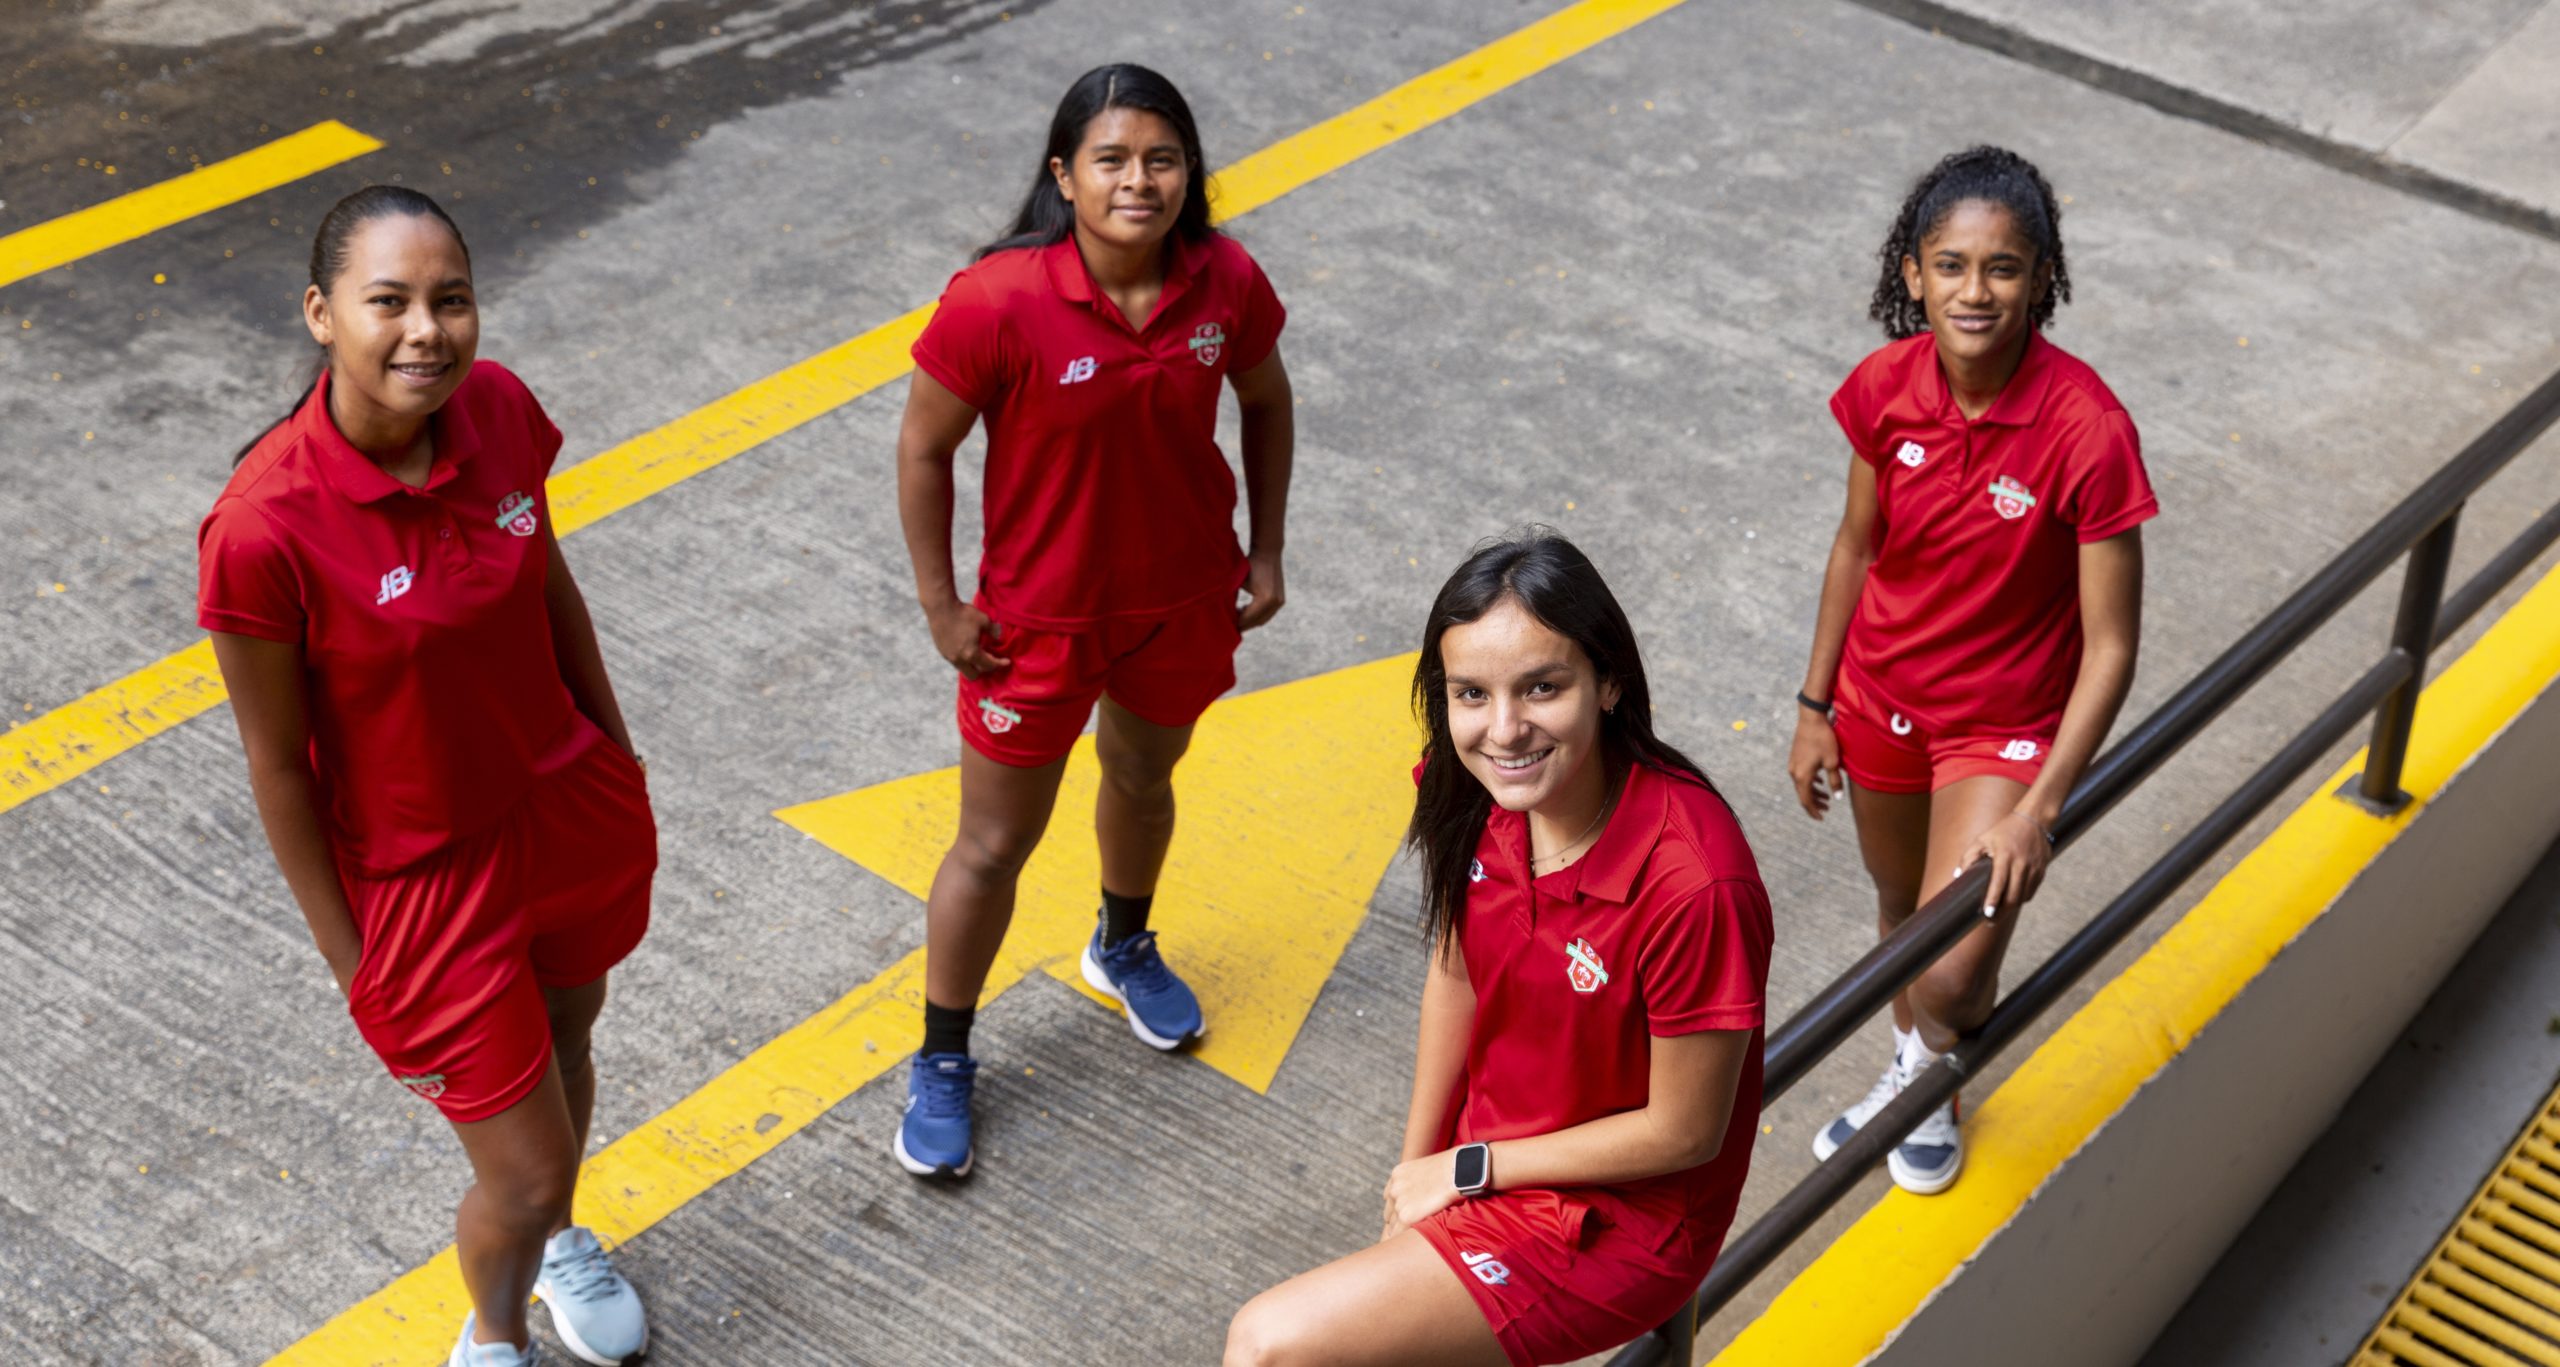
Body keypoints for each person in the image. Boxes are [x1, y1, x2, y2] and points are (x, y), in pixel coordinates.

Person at [199, 186, 655, 1366]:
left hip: (560, 808)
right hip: (423, 876)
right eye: (388, 301)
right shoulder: (262, 528)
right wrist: (355, 964)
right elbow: (277, 767)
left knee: (570, 1039)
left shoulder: (496, 409)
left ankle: (554, 1244)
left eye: (451, 301)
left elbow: (549, 584)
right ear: (319, 312)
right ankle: (493, 1334)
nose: (427, 332)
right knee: (523, 1164)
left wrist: (615, 751)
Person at [1226, 532, 1772, 1367]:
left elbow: (1686, 1129)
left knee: (1270, 1346)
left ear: (1609, 682)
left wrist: (1472, 1166)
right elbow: (1456, 970)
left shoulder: (1694, 882)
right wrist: (1414, 1173)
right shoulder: (1475, 788)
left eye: (1542, 688)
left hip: (1618, 1218)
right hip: (1488, 1165)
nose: (1505, 729)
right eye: (1470, 694)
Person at [890, 62, 1294, 1179]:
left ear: (1189, 174)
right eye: (1110, 160)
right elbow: (925, 448)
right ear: (1062, 175)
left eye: (1162, 159)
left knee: (1142, 779)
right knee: (991, 845)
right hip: (1035, 626)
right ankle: (942, 1054)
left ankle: (1121, 944)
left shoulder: (1225, 281)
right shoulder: (997, 298)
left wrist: (1262, 547)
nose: (1139, 181)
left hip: (1179, 605)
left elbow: (1266, 398)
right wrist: (942, 605)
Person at [1789, 145, 2153, 1195]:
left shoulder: (2087, 428)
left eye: (2002, 267)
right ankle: (1918, 1072)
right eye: (1950, 265)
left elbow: (2114, 642)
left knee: (1949, 970)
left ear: (2042, 278)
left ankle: (1928, 1057)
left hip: (2000, 727)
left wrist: (2039, 807)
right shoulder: (1883, 389)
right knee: (1898, 906)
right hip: (1878, 700)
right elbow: (1854, 545)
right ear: (1911, 273)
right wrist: (1814, 704)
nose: (1973, 290)